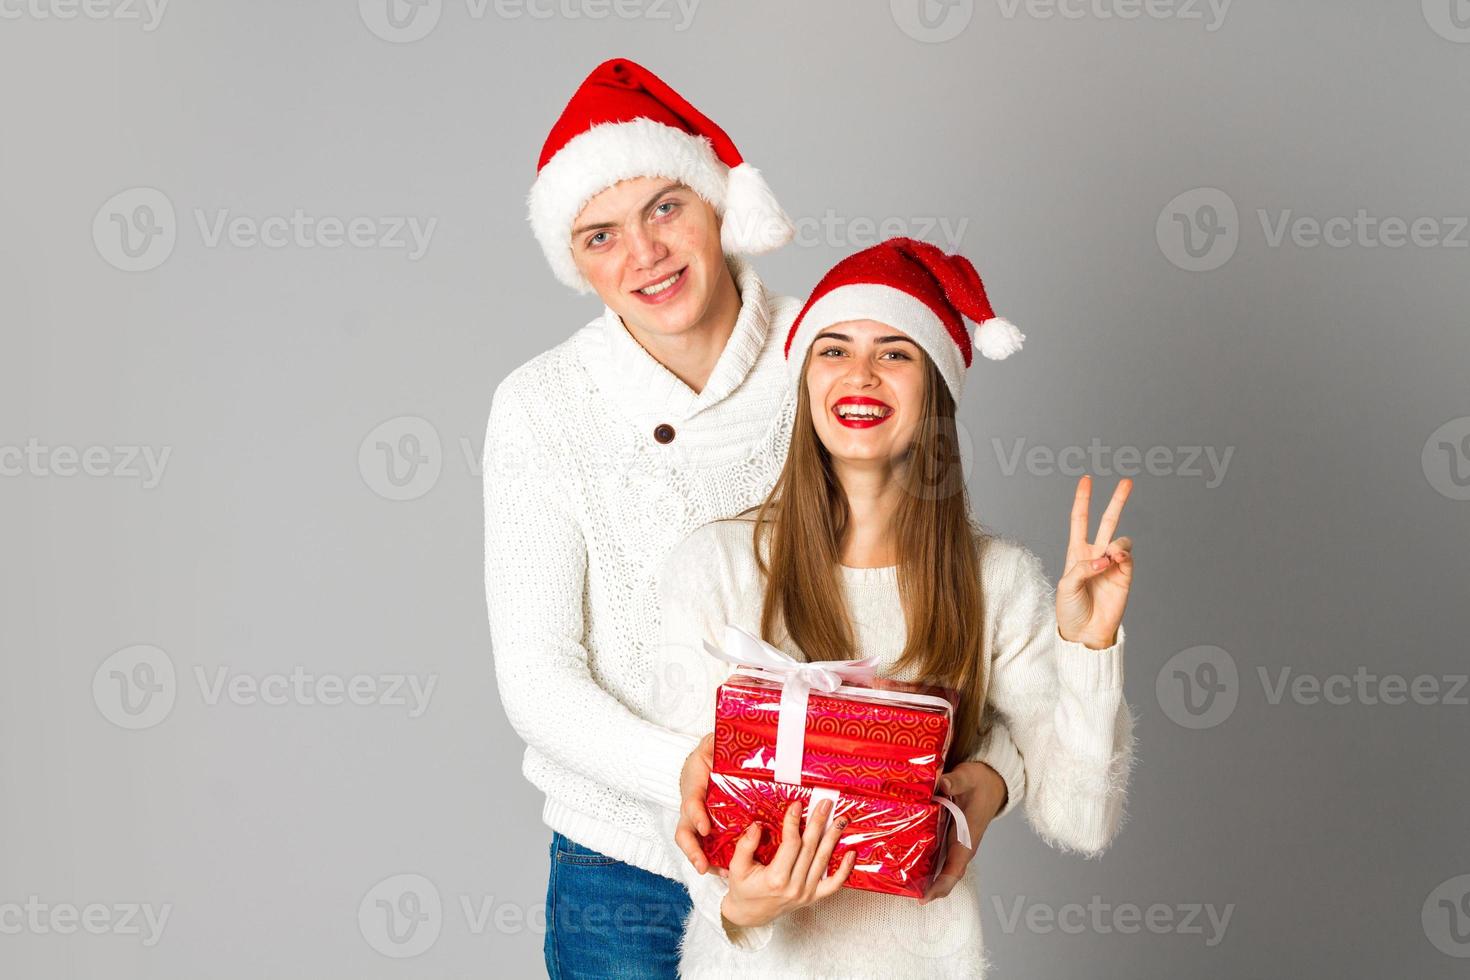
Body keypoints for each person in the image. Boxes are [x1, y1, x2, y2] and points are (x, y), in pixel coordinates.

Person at [484, 60, 1031, 978]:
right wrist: (685, 771)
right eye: (600, 235)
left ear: (715, 204)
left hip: (820, 856)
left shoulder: (830, 353)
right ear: (573, 262)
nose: (644, 255)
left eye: (665, 208)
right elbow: (537, 676)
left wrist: (998, 775)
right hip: (622, 866)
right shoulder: (542, 407)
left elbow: (943, 600)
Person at [653, 237, 1138, 979]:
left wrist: (1090, 648)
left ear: (936, 388)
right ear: (805, 376)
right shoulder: (717, 565)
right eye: (835, 349)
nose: (861, 376)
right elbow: (684, 813)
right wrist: (740, 912)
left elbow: (1082, 819)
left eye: (896, 353)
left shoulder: (997, 581)